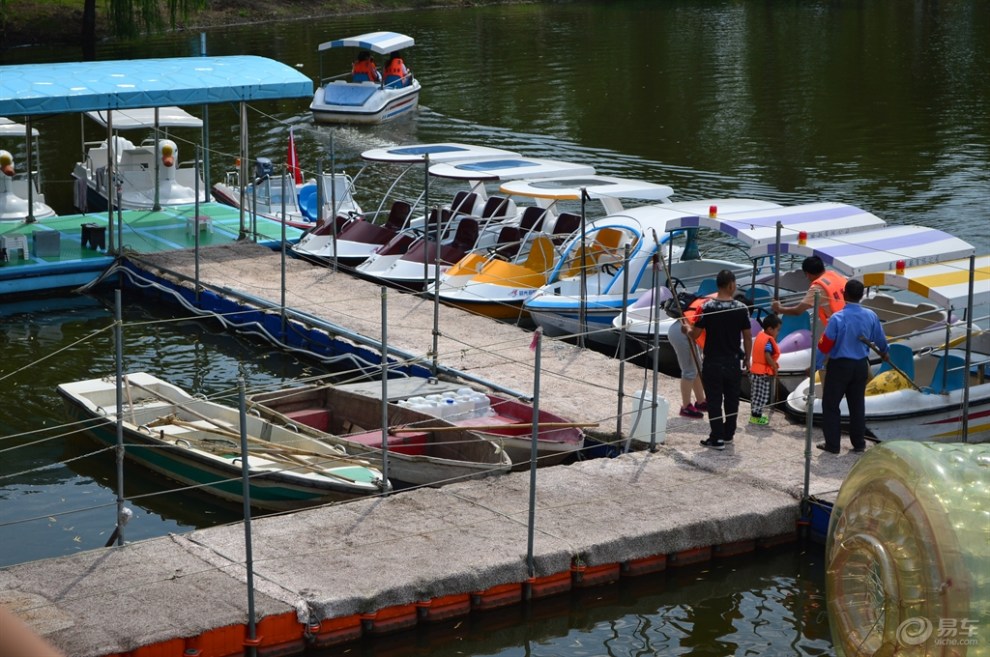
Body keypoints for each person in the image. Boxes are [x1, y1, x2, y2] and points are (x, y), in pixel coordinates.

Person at [815, 279, 889, 454]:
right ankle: (859, 443)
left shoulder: (837, 318)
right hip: (860, 365)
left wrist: (816, 364)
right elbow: (880, 339)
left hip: (840, 366)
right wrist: (885, 351)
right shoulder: (871, 315)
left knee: (831, 405)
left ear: (844, 294)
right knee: (857, 405)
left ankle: (833, 445)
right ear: (862, 295)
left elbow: (825, 346)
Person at [689, 270, 753, 450]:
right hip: (733, 362)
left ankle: (716, 437)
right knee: (732, 399)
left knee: (714, 400)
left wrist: (686, 330)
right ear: (731, 285)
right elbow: (747, 337)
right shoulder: (741, 308)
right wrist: (748, 358)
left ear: (718, 285)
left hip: (713, 361)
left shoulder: (706, 307)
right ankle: (728, 434)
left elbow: (696, 333)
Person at [771, 255, 847, 328]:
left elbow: (798, 311)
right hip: (848, 320)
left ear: (807, 274)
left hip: (838, 327)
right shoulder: (835, 275)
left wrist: (779, 308)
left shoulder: (818, 287)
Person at [673, 293, 711, 418]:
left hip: (686, 331)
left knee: (697, 368)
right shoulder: (714, 311)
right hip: (682, 333)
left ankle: (700, 401)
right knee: (689, 371)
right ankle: (685, 407)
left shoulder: (715, 307)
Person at [749, 313, 781, 425]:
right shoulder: (768, 341)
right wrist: (774, 366)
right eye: (777, 330)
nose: (778, 333)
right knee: (761, 396)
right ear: (770, 329)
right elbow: (767, 355)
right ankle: (755, 417)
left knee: (756, 395)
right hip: (761, 374)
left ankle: (755, 416)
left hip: (756, 371)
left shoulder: (761, 335)